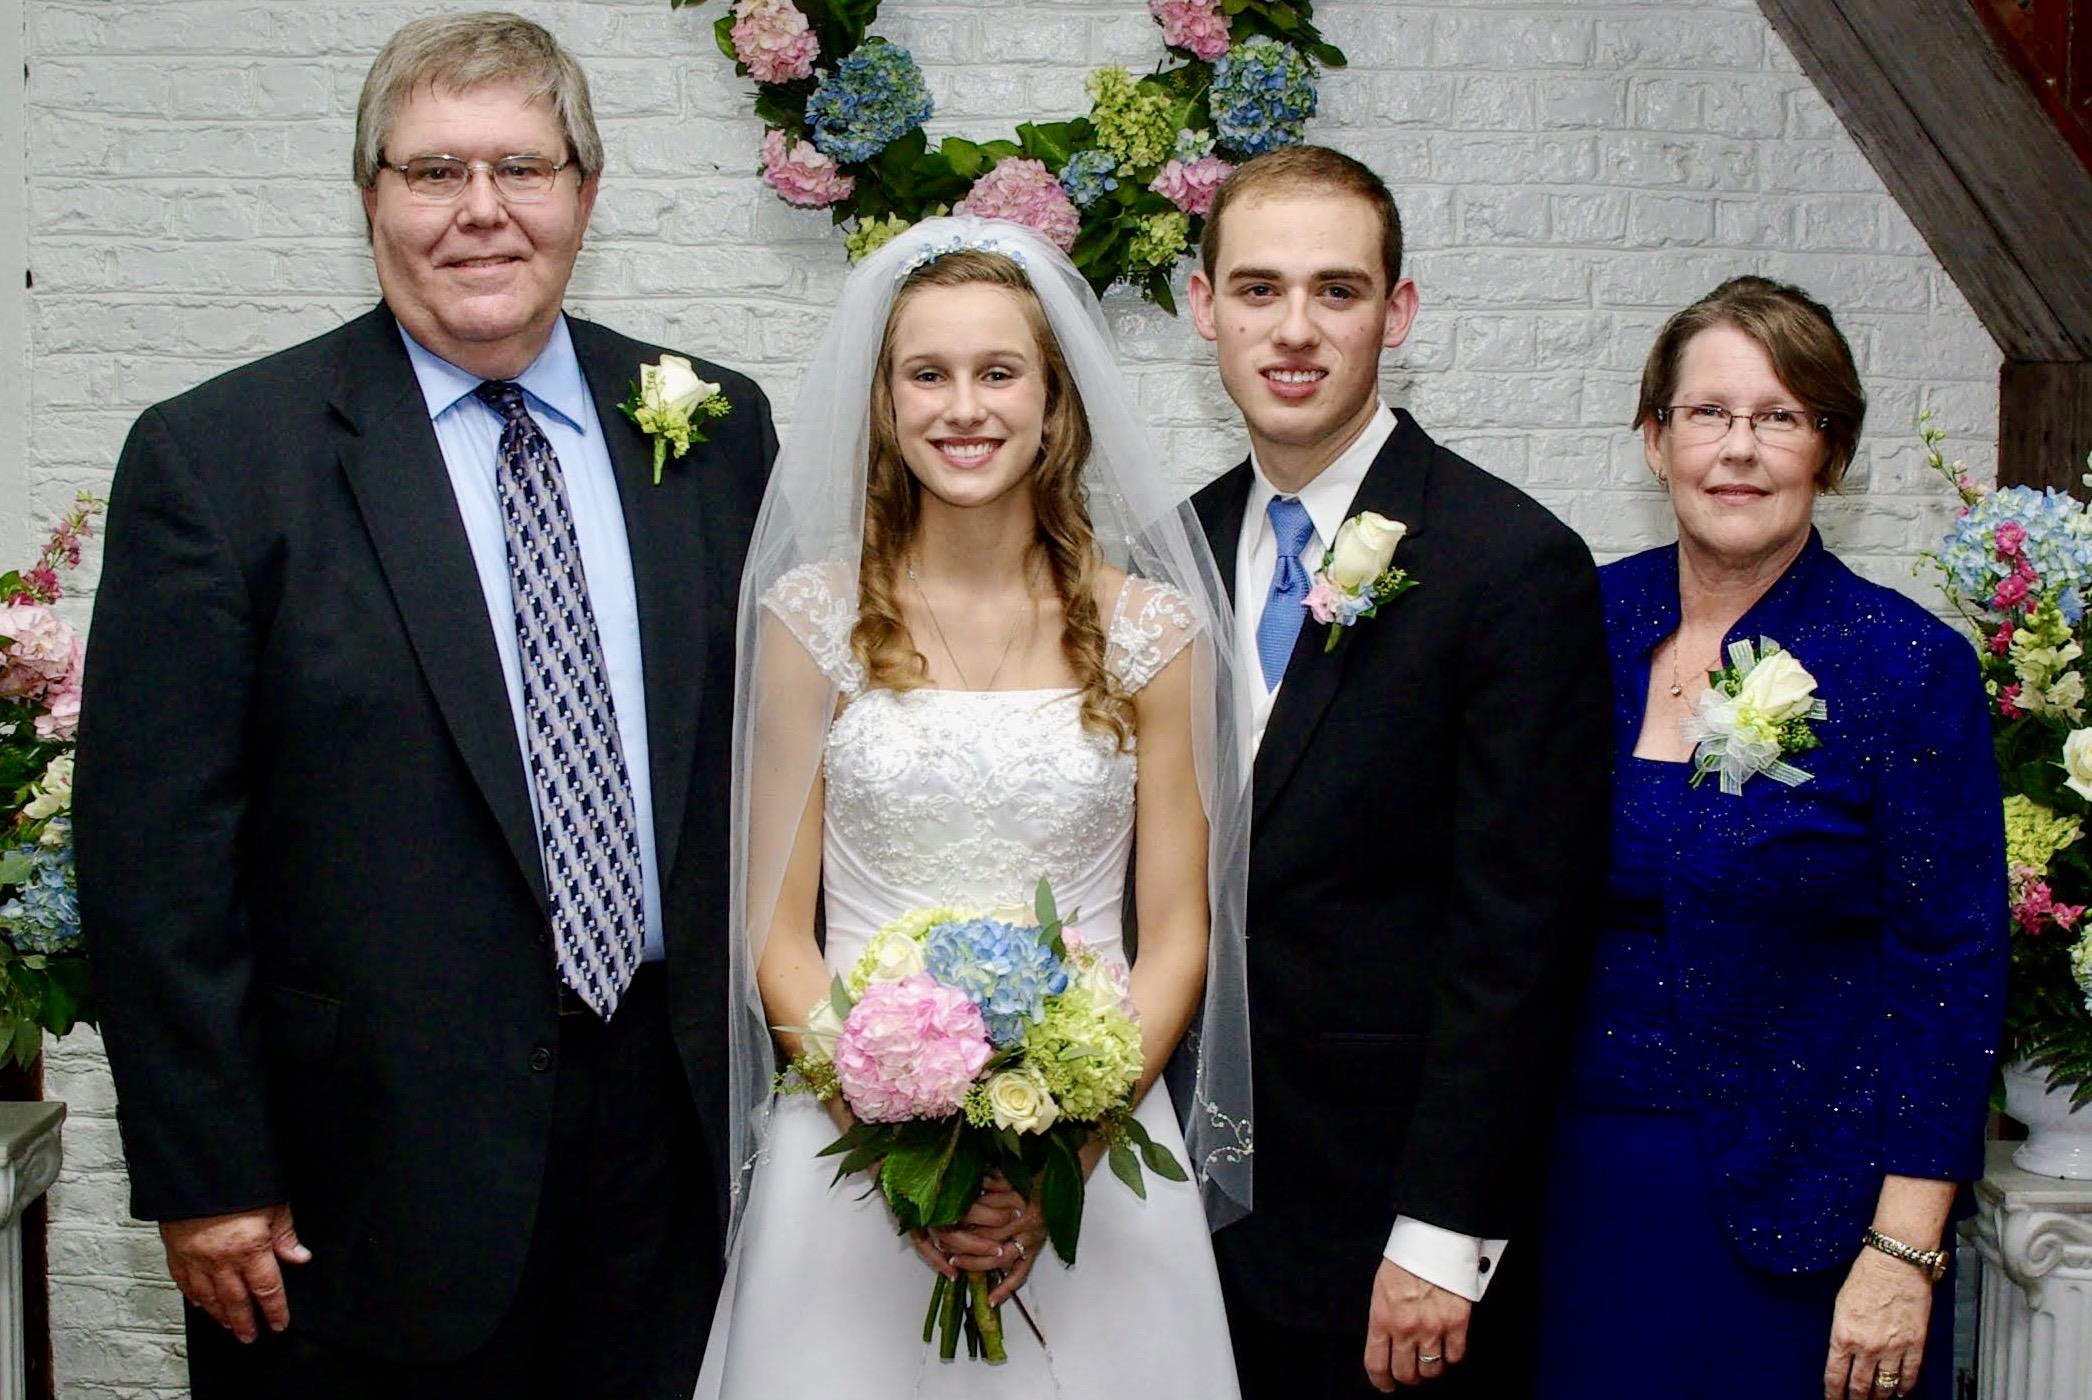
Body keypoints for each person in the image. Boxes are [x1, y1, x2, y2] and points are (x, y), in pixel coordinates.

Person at [72, 13, 774, 1395]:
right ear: (369, 195)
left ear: (587, 188)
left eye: (522, 165)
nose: (483, 212)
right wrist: (209, 1174)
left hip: (669, 1158)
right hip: (360, 1187)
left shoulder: (715, 429)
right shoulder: (219, 460)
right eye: (433, 172)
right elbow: (155, 858)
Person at [694, 216, 1255, 1397]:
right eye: (927, 373)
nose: (965, 406)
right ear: (885, 402)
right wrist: (910, 1154)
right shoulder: (809, 621)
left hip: (1093, 1163)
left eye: (1000, 372)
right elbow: (774, 935)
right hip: (852, 1150)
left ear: (1054, 400)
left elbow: (1179, 932)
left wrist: (1063, 1149)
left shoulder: (1153, 632)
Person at [1534, 276, 2007, 1400]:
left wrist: (1903, 1248)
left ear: (1829, 453)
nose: (1738, 449)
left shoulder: (1904, 666)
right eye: (1708, 413)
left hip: (1809, 1211)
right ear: (1654, 439)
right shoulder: (1573, 624)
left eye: (1781, 417)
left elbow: (1951, 972)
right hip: (1571, 1191)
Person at [1186, 145, 1610, 1397]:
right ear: (1203, 307)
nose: (1294, 329)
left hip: (1388, 1239)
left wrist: (1441, 1233)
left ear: (1399, 311)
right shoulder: (1171, 548)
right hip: (1180, 1214)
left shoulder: (1510, 560)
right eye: (1257, 290)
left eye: (1338, 290)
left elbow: (1522, 933)